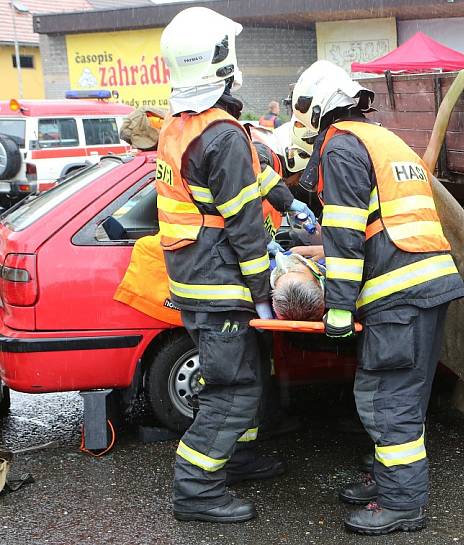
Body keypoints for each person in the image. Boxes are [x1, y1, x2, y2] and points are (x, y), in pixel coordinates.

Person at [292, 60, 464, 535]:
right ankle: (387, 480)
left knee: (389, 401)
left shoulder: (343, 147)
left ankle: (401, 504)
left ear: (317, 109)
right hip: (421, 286)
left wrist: (339, 308)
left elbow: (346, 235)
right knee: (390, 394)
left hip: (401, 294)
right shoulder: (380, 138)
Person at [157, 7, 292, 524]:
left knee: (246, 373)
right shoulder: (221, 134)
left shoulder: (181, 126)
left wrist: (290, 196)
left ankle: (239, 457)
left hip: (195, 277)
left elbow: (243, 189)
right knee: (233, 389)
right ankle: (196, 490)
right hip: (220, 282)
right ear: (219, 61)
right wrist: (264, 288)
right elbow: (244, 224)